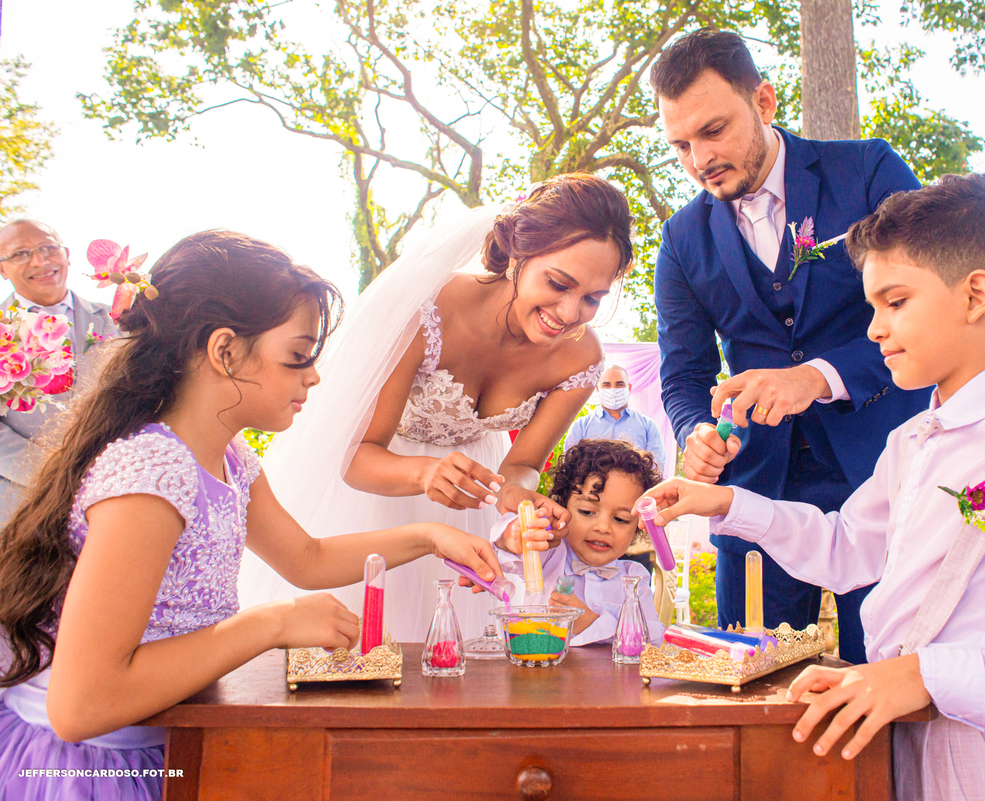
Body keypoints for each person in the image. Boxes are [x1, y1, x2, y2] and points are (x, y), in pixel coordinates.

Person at [641, 174, 985, 800]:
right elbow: (850, 547)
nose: (873, 330)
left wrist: (932, 676)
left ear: (976, 293)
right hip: (895, 741)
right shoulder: (912, 440)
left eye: (894, 303)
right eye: (872, 308)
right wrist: (728, 503)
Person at [0, 230, 503, 801]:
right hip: (91, 768)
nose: (313, 377)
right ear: (225, 352)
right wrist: (271, 624)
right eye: (297, 356)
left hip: (172, 738)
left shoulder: (230, 459)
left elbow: (307, 558)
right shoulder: (150, 474)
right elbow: (82, 705)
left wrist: (430, 536)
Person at [238, 174, 634, 642]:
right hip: (373, 499)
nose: (570, 313)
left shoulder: (582, 357)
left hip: (473, 510)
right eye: (558, 283)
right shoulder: (428, 310)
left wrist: (517, 496)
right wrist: (425, 474)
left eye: (591, 298)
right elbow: (355, 457)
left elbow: (523, 465)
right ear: (519, 255)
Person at [649, 29, 931, 664]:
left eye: (714, 130)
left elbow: (925, 301)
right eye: (681, 146)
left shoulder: (867, 172)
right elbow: (684, 373)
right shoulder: (681, 239)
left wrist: (816, 377)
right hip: (757, 490)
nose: (699, 159)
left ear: (765, 102)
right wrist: (696, 430)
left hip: (882, 467)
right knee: (752, 680)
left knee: (886, 669)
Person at [490, 438, 665, 646]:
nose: (603, 527)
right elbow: (507, 554)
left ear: (637, 526)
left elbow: (653, 638)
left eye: (620, 519)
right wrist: (515, 535)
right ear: (562, 508)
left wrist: (593, 623)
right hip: (543, 675)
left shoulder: (634, 578)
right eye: (587, 512)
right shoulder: (548, 555)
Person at [0, 220, 119, 523]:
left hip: (116, 491)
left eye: (48, 248)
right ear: (2, 269)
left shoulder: (113, 319)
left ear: (66, 254)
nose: (40, 261)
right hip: (27, 505)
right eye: (20, 254)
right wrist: (56, 472)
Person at [563, 364, 668, 473]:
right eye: (607, 385)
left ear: (629, 388)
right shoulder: (580, 427)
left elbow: (656, 468)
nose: (613, 390)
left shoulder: (648, 427)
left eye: (619, 385)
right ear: (598, 389)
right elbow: (570, 468)